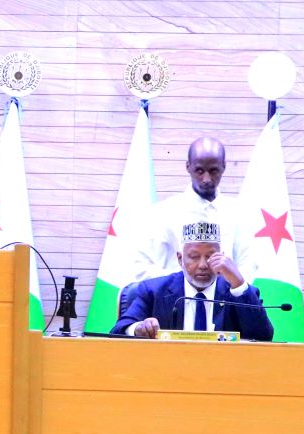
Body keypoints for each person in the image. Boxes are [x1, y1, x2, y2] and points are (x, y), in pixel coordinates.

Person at [112, 222, 272, 341]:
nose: (203, 265)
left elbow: (264, 337)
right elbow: (118, 331)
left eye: (210, 256)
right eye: (194, 257)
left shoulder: (237, 292)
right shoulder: (153, 291)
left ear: (222, 257)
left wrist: (238, 283)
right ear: (180, 259)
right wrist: (138, 328)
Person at [133, 136, 254, 282]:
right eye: (199, 171)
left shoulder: (238, 213)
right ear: (188, 167)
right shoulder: (162, 213)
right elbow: (141, 270)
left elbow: (248, 268)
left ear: (224, 167)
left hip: (226, 302)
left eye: (213, 170)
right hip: (175, 302)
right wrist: (187, 283)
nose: (207, 179)